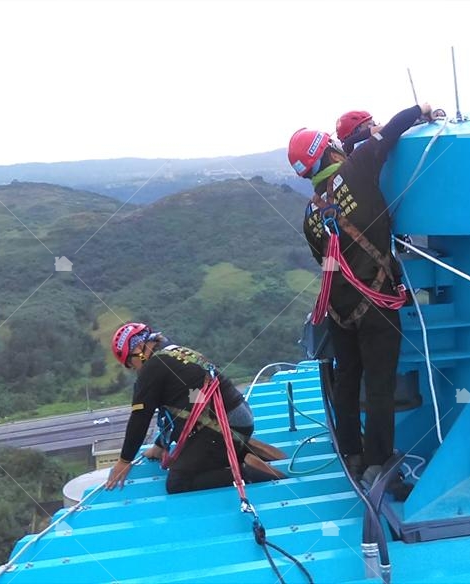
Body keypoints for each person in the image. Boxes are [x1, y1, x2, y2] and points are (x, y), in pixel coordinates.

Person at [287, 102, 435, 501]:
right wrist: (423, 108)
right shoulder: (360, 165)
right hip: (374, 301)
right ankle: (379, 463)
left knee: (348, 380)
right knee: (381, 384)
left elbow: (325, 258)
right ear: (331, 151)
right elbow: (396, 129)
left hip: (338, 308)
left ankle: (351, 453)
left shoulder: (311, 213)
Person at [104, 322, 280, 494]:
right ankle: (243, 447)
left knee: (178, 482)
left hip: (223, 424)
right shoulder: (175, 352)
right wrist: (159, 445)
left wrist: (124, 461)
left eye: (131, 364)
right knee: (192, 446)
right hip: (238, 418)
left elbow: (140, 417)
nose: (134, 369)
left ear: (138, 349)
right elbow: (186, 404)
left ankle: (247, 471)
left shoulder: (152, 368)